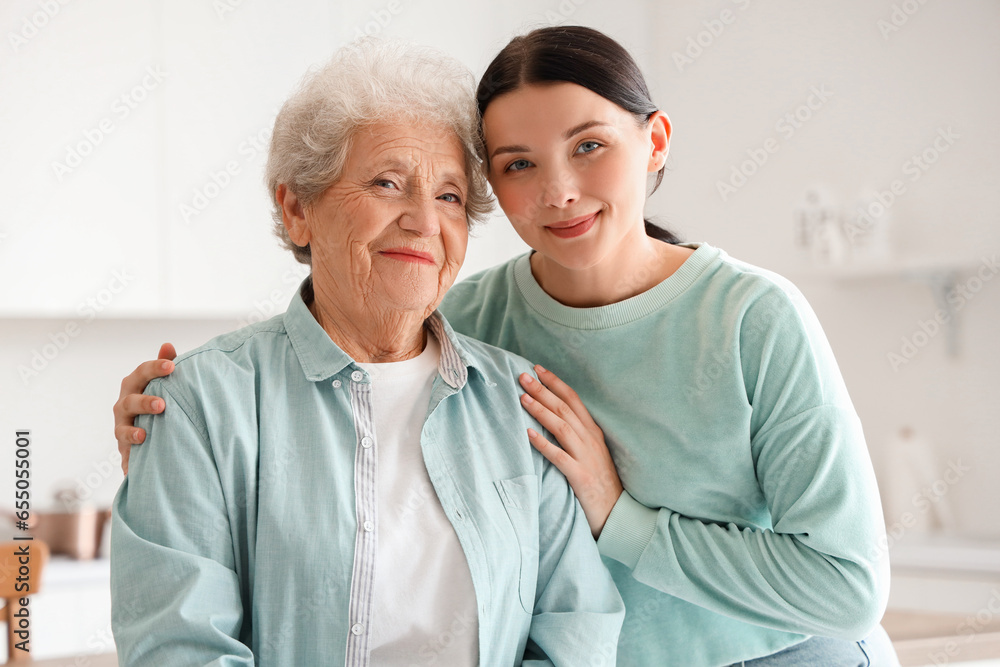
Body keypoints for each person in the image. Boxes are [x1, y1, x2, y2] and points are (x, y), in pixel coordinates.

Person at [115, 26, 899, 667]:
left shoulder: (748, 319)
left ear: (655, 142)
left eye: (450, 194)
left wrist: (619, 514)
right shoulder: (474, 323)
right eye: (518, 164)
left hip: (783, 653)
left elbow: (845, 584)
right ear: (297, 209)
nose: (557, 189)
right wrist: (175, 426)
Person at [109, 38, 625, 667]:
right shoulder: (197, 404)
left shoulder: (521, 402)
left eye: (450, 196)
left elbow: (578, 628)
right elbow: (179, 650)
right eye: (387, 183)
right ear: (298, 209)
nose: (424, 221)